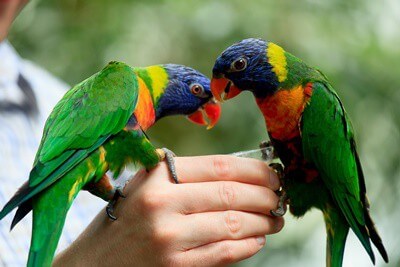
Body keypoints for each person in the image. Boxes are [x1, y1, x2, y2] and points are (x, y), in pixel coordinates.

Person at [0, 1, 284, 266]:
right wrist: (157, 156)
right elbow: (125, 142)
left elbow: (108, 166)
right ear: (169, 83)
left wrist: (116, 197)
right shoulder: (122, 81)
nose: (204, 105)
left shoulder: (48, 92)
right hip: (62, 173)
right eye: (197, 92)